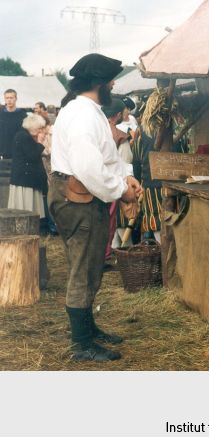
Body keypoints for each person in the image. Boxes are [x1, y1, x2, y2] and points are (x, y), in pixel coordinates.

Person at [49, 53, 143, 362]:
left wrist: (126, 180)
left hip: (84, 198)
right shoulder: (82, 115)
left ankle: (88, 330)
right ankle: (82, 344)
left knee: (90, 268)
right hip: (78, 200)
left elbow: (108, 159)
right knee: (83, 269)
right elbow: (89, 168)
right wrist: (122, 192)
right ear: (99, 83)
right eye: (112, 80)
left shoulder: (89, 111)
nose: (115, 84)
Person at [101, 97, 133, 262]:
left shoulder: (96, 129)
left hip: (94, 183)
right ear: (119, 114)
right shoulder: (120, 136)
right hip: (112, 183)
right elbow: (125, 162)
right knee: (109, 222)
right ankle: (105, 255)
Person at [7, 114, 48, 218]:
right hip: (24, 180)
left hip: (25, 178)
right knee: (26, 208)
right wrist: (40, 143)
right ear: (32, 126)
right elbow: (32, 156)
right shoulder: (24, 136)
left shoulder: (24, 135)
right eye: (39, 128)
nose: (40, 131)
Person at [0, 89, 26, 159]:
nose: (9, 100)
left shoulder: (22, 115)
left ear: (16, 99)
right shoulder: (1, 114)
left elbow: (25, 134)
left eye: (11, 98)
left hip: (19, 151)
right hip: (4, 151)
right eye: (7, 98)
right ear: (4, 99)